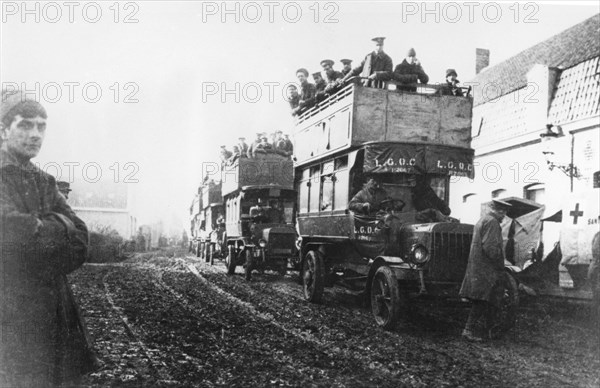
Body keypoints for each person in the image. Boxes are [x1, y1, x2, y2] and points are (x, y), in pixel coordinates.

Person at [0, 89, 99, 386]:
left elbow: (81, 240)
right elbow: (8, 230)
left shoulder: (44, 180)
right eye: (25, 125)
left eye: (41, 127)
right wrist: (57, 229)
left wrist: (39, 230)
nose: (35, 134)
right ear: (4, 129)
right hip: (8, 308)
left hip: (53, 310)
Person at [459, 199, 512, 342]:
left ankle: (487, 331)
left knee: (485, 299)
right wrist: (500, 264)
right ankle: (469, 330)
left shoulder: (483, 220)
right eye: (503, 212)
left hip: (479, 266)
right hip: (486, 268)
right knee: (483, 299)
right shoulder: (492, 222)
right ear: (498, 211)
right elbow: (490, 247)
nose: (504, 216)